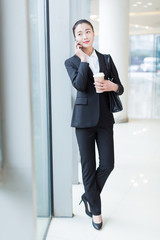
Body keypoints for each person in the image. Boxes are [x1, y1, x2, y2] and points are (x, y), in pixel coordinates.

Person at [64, 19, 124, 230]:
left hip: (105, 119)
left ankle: (88, 195)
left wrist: (111, 85)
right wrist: (83, 60)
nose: (84, 36)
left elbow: (120, 88)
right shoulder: (71, 62)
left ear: (93, 33)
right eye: (79, 34)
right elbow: (80, 85)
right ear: (76, 39)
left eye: (87, 31)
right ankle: (96, 211)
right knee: (88, 166)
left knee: (108, 164)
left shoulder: (106, 59)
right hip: (83, 121)